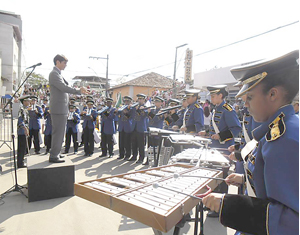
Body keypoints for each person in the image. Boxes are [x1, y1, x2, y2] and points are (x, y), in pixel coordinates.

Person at [202, 50, 299, 235]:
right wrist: (245, 180)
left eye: (250, 97)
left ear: (272, 94)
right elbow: (272, 185)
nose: (245, 104)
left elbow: (293, 220)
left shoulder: (287, 139)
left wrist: (228, 204)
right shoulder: (275, 129)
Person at [49, 54, 88, 163]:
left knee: (61, 133)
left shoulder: (58, 74)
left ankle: (56, 152)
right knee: (58, 132)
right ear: (58, 62)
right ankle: (53, 155)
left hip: (61, 108)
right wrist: (78, 90)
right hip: (58, 108)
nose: (66, 65)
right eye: (64, 62)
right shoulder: (54, 74)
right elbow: (63, 87)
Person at [129, 94, 148, 163]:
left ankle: (141, 158)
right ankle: (134, 156)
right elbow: (130, 114)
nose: (139, 100)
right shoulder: (134, 107)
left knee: (141, 144)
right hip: (134, 127)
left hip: (141, 128)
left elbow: (144, 115)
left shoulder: (145, 107)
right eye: (139, 99)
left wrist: (138, 110)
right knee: (134, 143)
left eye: (141, 99)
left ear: (144, 100)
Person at [117, 96, 133, 160]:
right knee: (121, 142)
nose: (126, 102)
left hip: (128, 126)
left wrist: (126, 113)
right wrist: (117, 110)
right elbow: (117, 114)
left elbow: (131, 117)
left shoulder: (131, 108)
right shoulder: (122, 107)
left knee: (127, 142)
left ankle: (128, 155)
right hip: (121, 126)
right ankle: (121, 154)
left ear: (130, 102)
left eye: (128, 101)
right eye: (125, 101)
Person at [17, 95, 30, 168]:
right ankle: (20, 163)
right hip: (22, 131)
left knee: (23, 147)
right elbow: (20, 120)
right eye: (27, 101)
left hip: (24, 131)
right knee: (21, 147)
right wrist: (25, 128)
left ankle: (21, 161)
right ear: (24, 102)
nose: (29, 102)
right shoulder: (21, 109)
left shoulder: (25, 109)